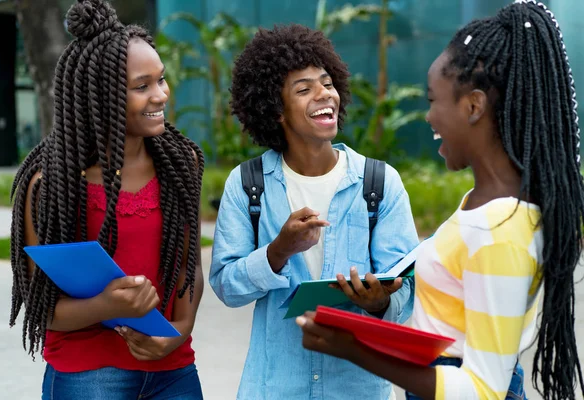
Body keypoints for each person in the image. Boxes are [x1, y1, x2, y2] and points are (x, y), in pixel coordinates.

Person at [297, 1, 584, 400]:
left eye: (433, 101)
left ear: (473, 106)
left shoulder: (500, 229)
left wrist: (355, 350)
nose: (428, 118)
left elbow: (484, 389)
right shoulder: (482, 204)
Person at [209, 24, 419, 400]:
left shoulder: (379, 183)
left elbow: (406, 288)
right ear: (276, 111)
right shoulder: (247, 185)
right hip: (273, 388)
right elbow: (227, 287)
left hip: (357, 389)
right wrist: (278, 251)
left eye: (327, 83)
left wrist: (380, 301)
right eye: (304, 89)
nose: (324, 95)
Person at [9, 1, 205, 398]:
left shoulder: (178, 164)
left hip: (173, 369)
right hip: (89, 373)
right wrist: (106, 305)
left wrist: (179, 331)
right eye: (142, 86)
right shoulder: (51, 185)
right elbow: (42, 309)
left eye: (161, 80)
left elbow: (189, 271)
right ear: (101, 96)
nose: (160, 95)